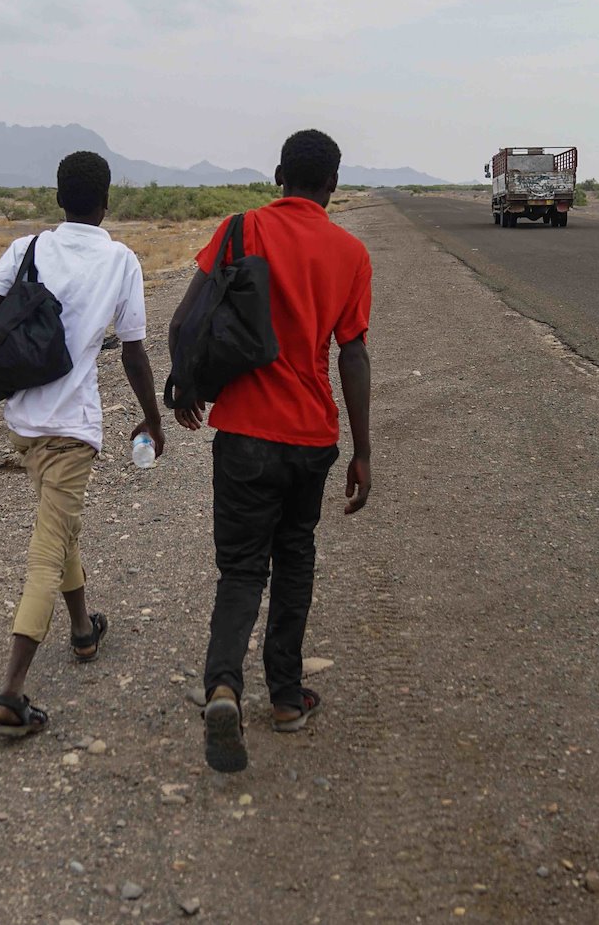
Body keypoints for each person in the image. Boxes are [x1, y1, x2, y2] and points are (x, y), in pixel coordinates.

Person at [172, 129, 373, 773]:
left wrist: (186, 387)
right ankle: (286, 699)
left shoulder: (241, 229)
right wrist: (362, 451)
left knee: (239, 570)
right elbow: (354, 353)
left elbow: (185, 319)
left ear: (278, 173)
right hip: (311, 437)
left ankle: (224, 688)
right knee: (294, 560)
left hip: (244, 432)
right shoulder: (350, 252)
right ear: (333, 184)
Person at [0, 150, 166, 739]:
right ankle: (11, 693)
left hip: (24, 424)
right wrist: (153, 419)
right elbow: (133, 351)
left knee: (61, 527)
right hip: (72, 429)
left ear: (57, 199)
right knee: (47, 550)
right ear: (106, 202)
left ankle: (82, 630)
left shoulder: (26, 249)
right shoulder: (121, 261)